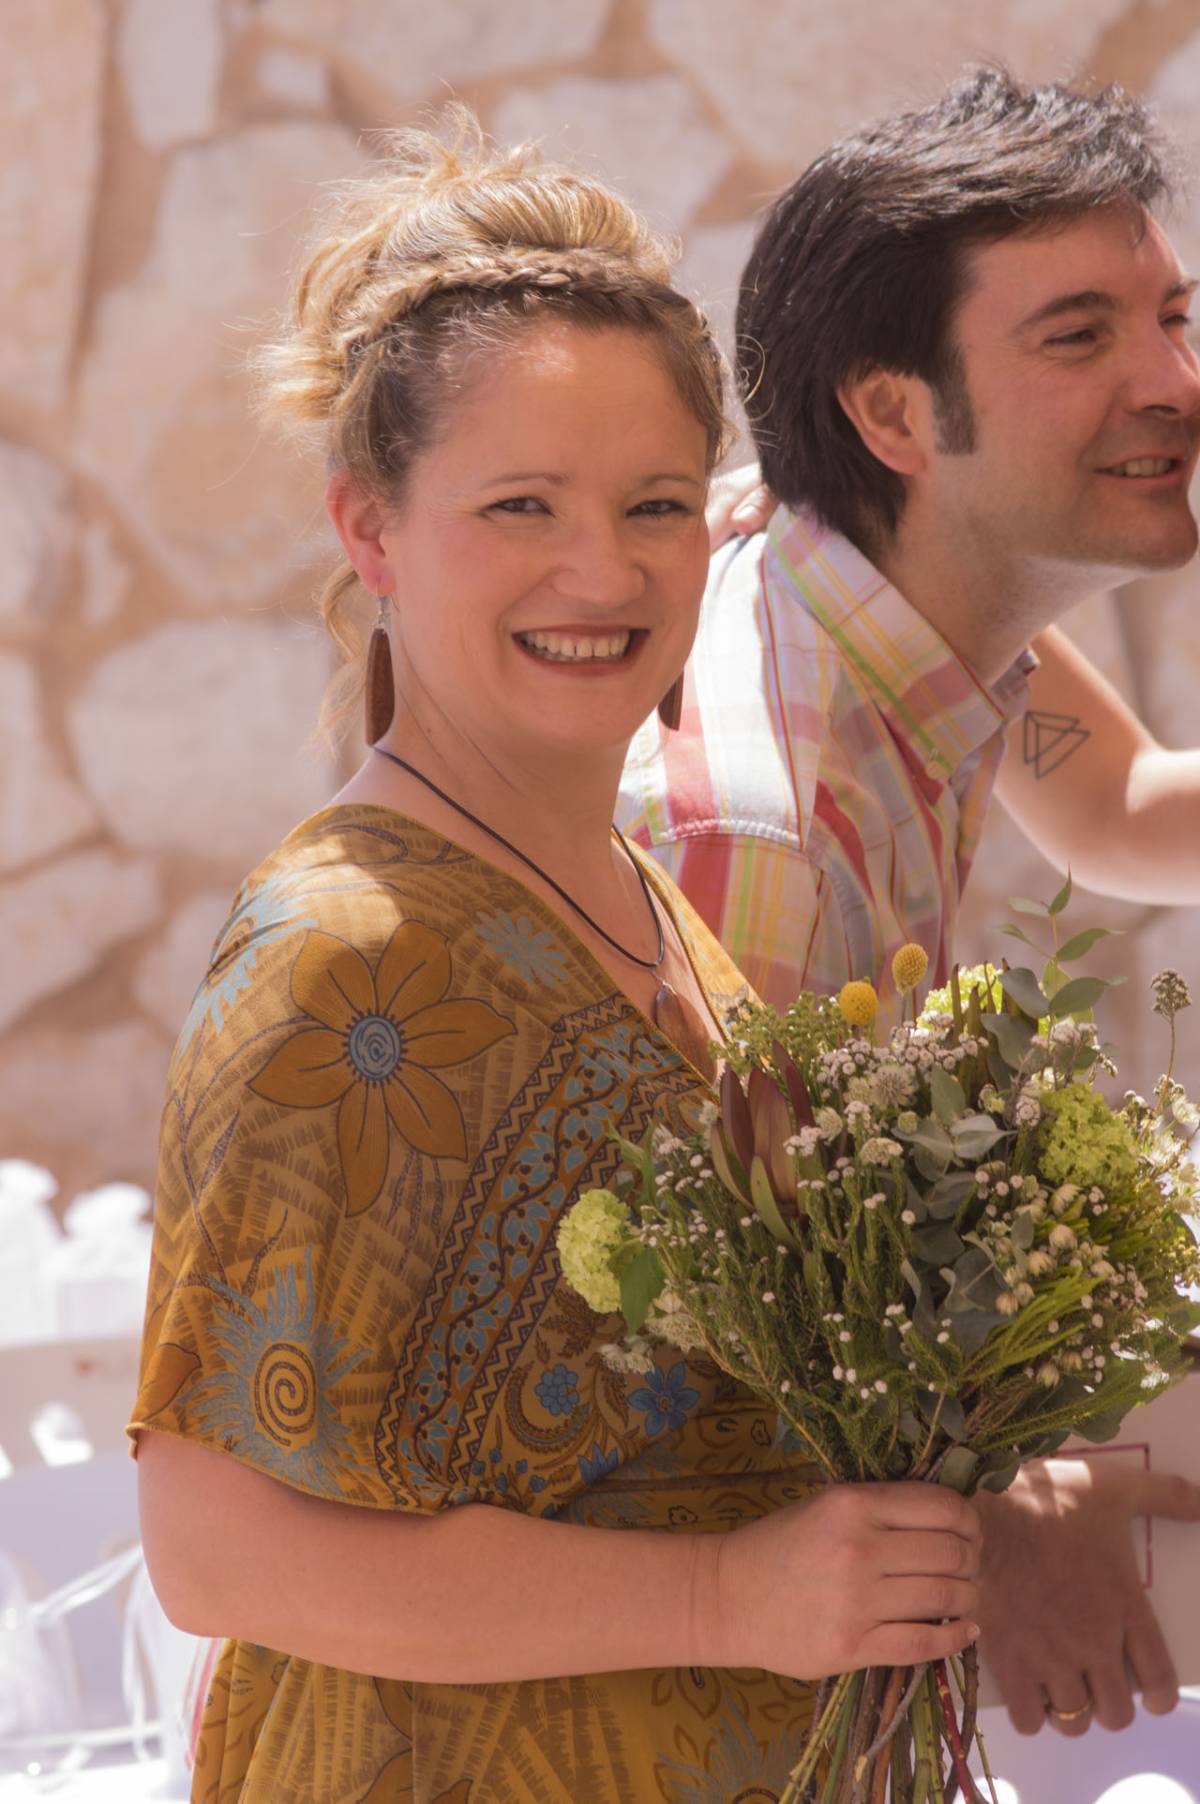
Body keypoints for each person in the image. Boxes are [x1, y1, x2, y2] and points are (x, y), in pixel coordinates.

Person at [129, 120, 984, 1804]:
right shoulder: (349, 954)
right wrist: (726, 1596)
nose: (604, 570)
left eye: (657, 505)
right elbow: (212, 1547)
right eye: (521, 505)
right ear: (369, 529)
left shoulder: (640, 896)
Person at [618, 67, 1200, 1742]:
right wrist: (1011, 1511)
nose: (1173, 380)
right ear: (893, 414)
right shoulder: (762, 830)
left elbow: (1121, 804)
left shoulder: (903, 600)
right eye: (1079, 336)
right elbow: (702, 1374)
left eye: (1173, 314)